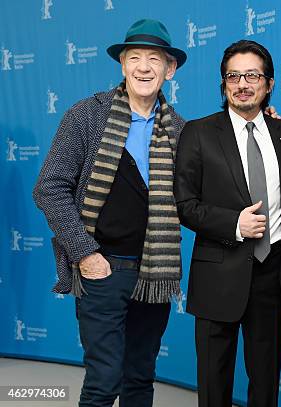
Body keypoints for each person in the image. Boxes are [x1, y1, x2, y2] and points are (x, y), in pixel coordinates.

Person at [32, 19, 186, 407]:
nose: (144, 67)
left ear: (170, 69)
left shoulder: (180, 131)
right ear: (122, 64)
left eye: (155, 59)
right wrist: (85, 253)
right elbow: (49, 187)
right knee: (104, 381)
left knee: (140, 378)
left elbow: (204, 188)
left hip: (155, 273)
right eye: (135, 57)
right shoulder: (86, 115)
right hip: (102, 270)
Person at [174, 40, 281, 407]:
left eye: (252, 75)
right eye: (233, 75)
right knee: (214, 385)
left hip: (270, 275)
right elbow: (184, 204)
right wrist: (234, 224)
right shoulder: (197, 132)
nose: (242, 83)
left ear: (270, 83)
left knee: (265, 383)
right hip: (217, 275)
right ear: (224, 83)